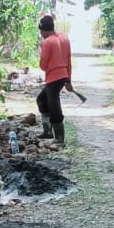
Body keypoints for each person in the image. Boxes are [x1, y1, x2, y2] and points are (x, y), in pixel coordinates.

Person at [36, 14, 72, 145]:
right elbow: (68, 60)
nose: (41, 34)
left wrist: (42, 48)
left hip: (53, 78)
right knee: (42, 99)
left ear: (44, 30)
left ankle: (59, 138)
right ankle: (48, 131)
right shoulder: (64, 38)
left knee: (54, 105)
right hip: (63, 76)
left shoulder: (47, 42)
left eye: (41, 31)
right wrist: (68, 80)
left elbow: (43, 66)